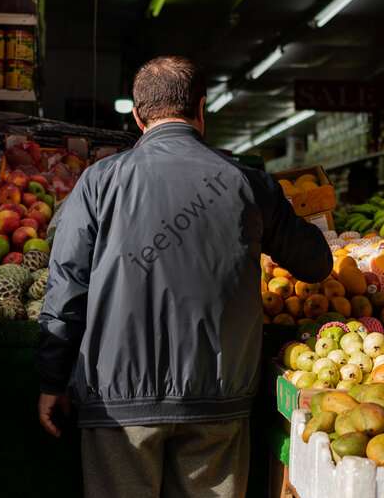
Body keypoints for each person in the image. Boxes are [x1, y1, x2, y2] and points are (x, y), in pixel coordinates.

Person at [36, 56, 332, 498]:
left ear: (137, 117)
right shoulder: (246, 182)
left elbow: (67, 288)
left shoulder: (100, 182)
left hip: (119, 405)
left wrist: (51, 381)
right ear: (201, 109)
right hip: (217, 401)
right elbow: (316, 264)